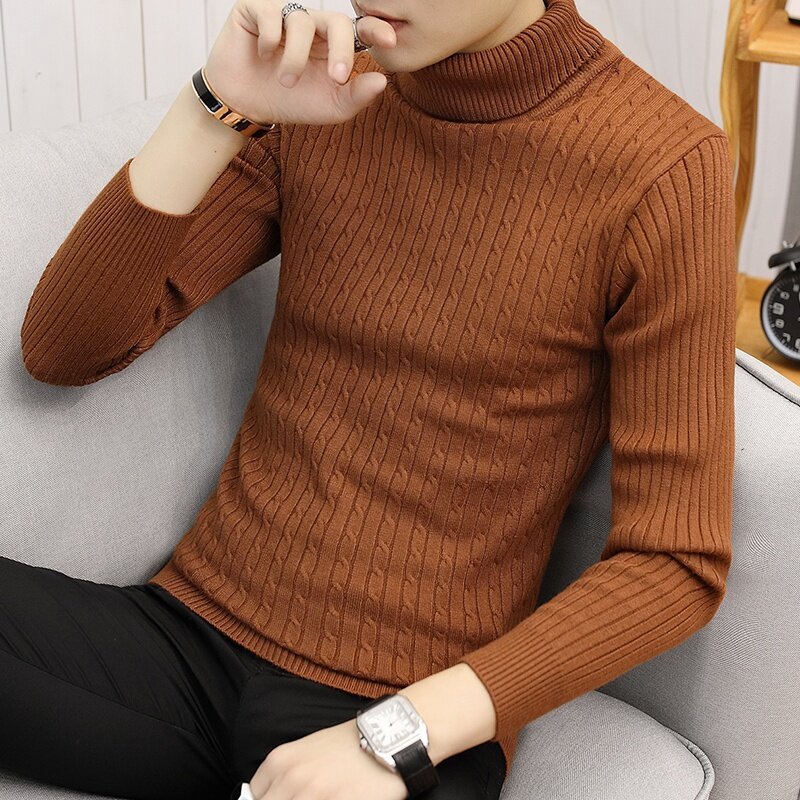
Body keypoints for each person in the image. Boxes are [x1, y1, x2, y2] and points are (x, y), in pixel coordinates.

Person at [8, 0, 737, 798]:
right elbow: (64, 350)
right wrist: (215, 106)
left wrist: (395, 736)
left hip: (406, 706)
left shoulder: (666, 167)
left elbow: (673, 561)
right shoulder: (327, 95)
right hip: (186, 642)